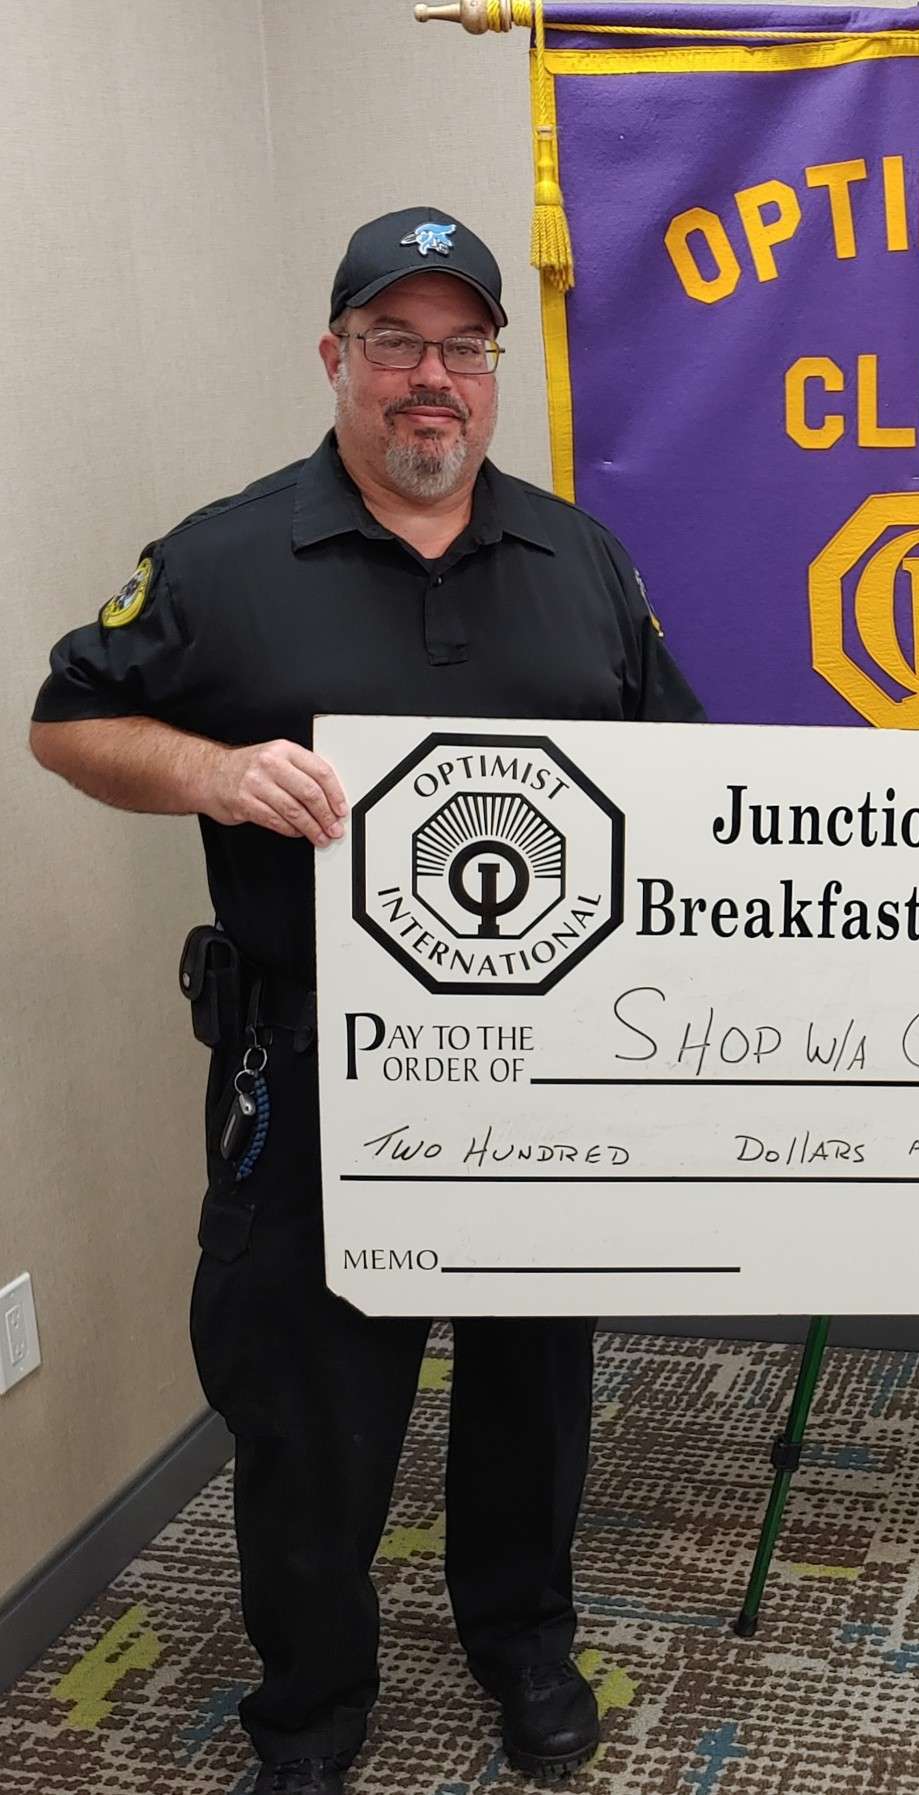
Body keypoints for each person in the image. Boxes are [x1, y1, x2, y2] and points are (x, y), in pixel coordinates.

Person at [29, 207, 705, 1795]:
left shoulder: (581, 560)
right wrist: (213, 769)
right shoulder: (226, 554)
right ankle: (314, 1702)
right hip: (311, 1059)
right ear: (334, 358)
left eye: (463, 349)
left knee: (533, 1383)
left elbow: (681, 771)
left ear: (493, 375)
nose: (430, 381)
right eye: (393, 342)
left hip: (542, 1072)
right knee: (311, 1408)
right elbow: (70, 721)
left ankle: (523, 1647)